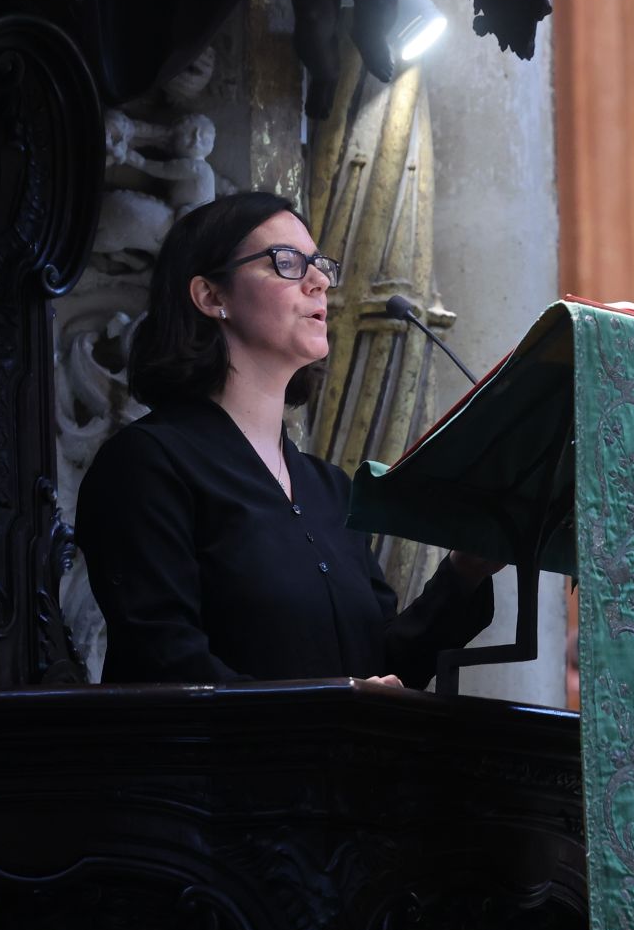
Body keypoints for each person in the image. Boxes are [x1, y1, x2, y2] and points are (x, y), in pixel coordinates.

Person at [76, 190, 498, 687]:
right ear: (211, 296)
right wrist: (328, 708)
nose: (320, 281)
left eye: (319, 264)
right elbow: (166, 664)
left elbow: (382, 668)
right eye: (287, 262)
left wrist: (465, 572)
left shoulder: (330, 490)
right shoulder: (147, 464)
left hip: (343, 760)